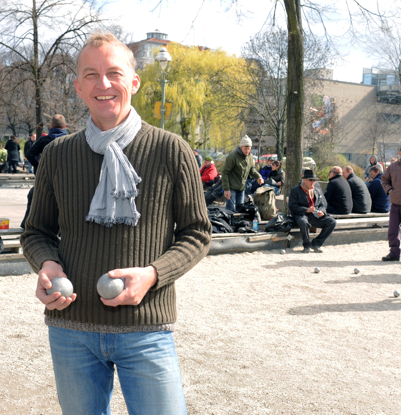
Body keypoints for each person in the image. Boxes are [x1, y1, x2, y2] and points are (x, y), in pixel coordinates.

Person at [20, 32, 211, 415]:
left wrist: (152, 275)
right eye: (91, 74)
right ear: (78, 86)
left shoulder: (171, 150)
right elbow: (35, 231)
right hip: (70, 328)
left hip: (147, 327)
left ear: (134, 82)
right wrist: (48, 263)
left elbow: (197, 233)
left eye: (114, 73)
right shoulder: (57, 154)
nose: (103, 83)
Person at [288, 169, 336, 253]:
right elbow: (292, 207)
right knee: (303, 222)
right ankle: (306, 245)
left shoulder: (317, 190)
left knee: (332, 222)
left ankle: (316, 243)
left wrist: (322, 212)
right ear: (304, 180)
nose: (313, 182)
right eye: (311, 180)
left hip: (315, 215)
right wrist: (307, 209)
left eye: (314, 180)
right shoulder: (295, 190)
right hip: (301, 215)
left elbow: (322, 205)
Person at [221, 135, 263, 212]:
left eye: (249, 149)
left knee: (240, 209)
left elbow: (251, 170)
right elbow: (225, 172)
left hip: (242, 188)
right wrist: (226, 189)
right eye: (245, 148)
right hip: (231, 187)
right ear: (241, 147)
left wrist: (258, 177)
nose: (247, 151)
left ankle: (238, 220)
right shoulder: (232, 156)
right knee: (230, 210)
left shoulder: (250, 157)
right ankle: (229, 220)